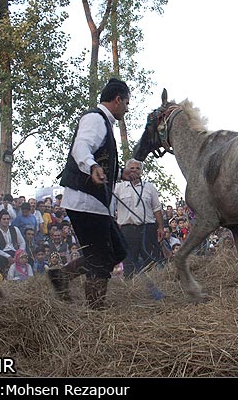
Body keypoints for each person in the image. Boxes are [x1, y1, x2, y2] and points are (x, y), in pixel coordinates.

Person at [53, 77, 137, 309]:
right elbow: (81, 147)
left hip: (95, 203)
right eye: (127, 103)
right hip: (85, 201)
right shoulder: (95, 119)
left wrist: (121, 173)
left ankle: (61, 277)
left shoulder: (104, 122)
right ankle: (96, 313)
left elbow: (102, 162)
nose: (127, 109)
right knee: (100, 258)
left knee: (117, 250)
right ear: (118, 99)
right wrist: (91, 166)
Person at [114, 158, 165, 277]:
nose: (135, 171)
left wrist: (161, 227)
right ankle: (130, 290)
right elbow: (111, 208)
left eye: (137, 168)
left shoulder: (149, 187)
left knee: (151, 261)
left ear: (141, 171)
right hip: (127, 230)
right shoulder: (118, 188)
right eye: (131, 168)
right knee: (129, 263)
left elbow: (157, 209)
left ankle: (154, 290)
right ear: (126, 170)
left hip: (147, 229)